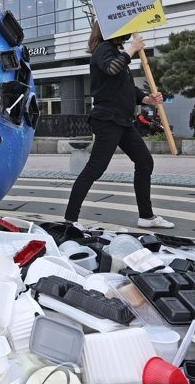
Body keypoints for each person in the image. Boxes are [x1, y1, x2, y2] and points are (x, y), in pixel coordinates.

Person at [63, 24, 175, 230]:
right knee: (95, 168)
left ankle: (146, 216)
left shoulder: (114, 52)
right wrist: (132, 49)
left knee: (144, 161)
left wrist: (148, 99)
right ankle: (71, 220)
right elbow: (112, 69)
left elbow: (126, 88)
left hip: (122, 121)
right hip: (107, 119)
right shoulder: (103, 50)